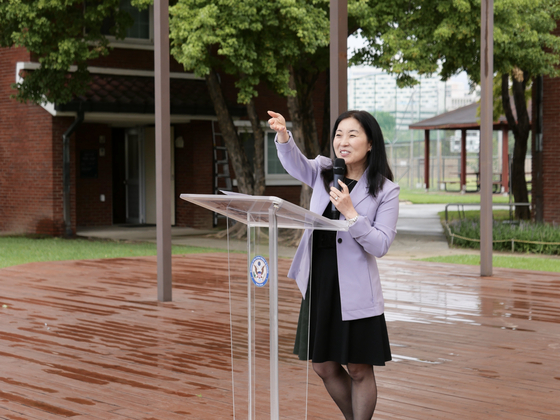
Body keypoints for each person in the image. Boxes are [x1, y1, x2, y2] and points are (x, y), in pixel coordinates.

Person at [267, 110, 399, 420]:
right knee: (323, 364)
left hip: (355, 288)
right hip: (320, 282)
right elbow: (295, 163)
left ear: (370, 144)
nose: (343, 141)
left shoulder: (385, 189)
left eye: (353, 134)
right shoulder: (324, 171)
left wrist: (352, 214)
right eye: (339, 134)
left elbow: (380, 245)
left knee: (358, 367)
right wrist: (284, 135)